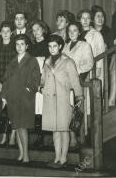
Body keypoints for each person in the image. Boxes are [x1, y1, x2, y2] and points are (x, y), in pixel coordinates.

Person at [41, 35, 84, 168]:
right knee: (55, 130)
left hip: (63, 99)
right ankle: (57, 157)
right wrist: (41, 87)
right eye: (49, 46)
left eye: (54, 46)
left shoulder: (68, 62)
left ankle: (64, 157)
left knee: (64, 129)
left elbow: (75, 82)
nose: (52, 49)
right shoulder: (47, 61)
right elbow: (42, 79)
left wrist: (79, 97)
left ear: (60, 46)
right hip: (49, 99)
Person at [1, 34, 40, 163]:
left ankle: (26, 155)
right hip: (13, 98)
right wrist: (4, 96)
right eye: (17, 44)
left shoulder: (32, 60)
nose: (19, 47)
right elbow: (6, 80)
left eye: (22, 44)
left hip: (25, 99)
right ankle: (21, 153)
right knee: (17, 126)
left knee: (23, 126)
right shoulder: (12, 61)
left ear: (27, 46)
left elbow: (36, 80)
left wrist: (28, 90)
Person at [62, 22, 94, 149]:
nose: (72, 33)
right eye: (70, 30)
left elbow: (89, 63)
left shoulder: (84, 45)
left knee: (76, 110)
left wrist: (75, 71)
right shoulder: (65, 46)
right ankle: (70, 137)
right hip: (64, 82)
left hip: (77, 80)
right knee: (66, 110)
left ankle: (76, 138)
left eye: (75, 30)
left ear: (79, 32)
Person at [0, 21, 17, 146]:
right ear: (0, 33)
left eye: (8, 31)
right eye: (3, 31)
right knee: (2, 112)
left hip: (13, 84)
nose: (6, 34)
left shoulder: (15, 47)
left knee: (13, 111)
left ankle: (13, 135)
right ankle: (3, 135)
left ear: (12, 33)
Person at [28, 20, 49, 148]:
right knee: (35, 107)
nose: (36, 32)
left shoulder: (48, 44)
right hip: (32, 79)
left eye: (38, 29)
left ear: (43, 30)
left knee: (42, 108)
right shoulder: (30, 46)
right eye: (34, 30)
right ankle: (37, 134)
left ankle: (42, 136)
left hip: (43, 79)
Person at [78, 9, 105, 82]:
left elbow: (101, 52)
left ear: (91, 20)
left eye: (88, 18)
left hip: (93, 67)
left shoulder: (96, 34)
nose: (85, 20)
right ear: (80, 20)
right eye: (83, 18)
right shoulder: (77, 34)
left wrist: (99, 67)